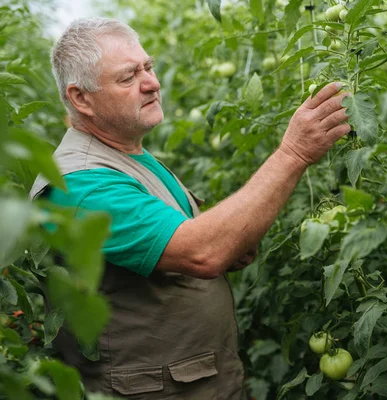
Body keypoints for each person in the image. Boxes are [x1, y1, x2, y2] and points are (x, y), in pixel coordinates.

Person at [29, 17, 350, 399]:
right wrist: (294, 153)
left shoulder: (129, 155)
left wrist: (229, 239)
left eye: (148, 67)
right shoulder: (78, 184)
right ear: (81, 98)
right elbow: (202, 252)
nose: (151, 83)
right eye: (128, 77)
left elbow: (187, 243)